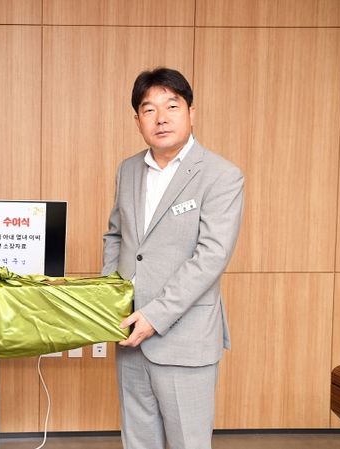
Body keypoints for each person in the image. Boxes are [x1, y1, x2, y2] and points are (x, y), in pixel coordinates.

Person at [102, 68, 244, 449]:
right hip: (130, 334)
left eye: (172, 106)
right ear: (138, 121)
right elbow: (116, 236)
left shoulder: (221, 176)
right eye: (149, 109)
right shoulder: (128, 169)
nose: (160, 118)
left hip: (185, 339)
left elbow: (210, 257)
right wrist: (110, 299)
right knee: (138, 442)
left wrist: (155, 316)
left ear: (191, 112)